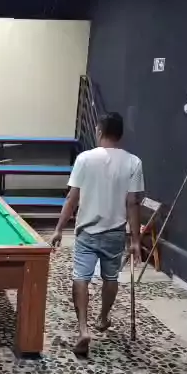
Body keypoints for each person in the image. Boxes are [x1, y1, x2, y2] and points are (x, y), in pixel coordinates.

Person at [51, 112, 144, 357]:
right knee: (110, 277)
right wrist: (135, 241)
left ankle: (83, 329)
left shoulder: (84, 158)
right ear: (120, 134)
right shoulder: (133, 162)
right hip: (115, 233)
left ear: (99, 131)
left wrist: (59, 229)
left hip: (87, 231)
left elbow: (72, 198)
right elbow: (133, 203)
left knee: (80, 277)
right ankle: (102, 318)